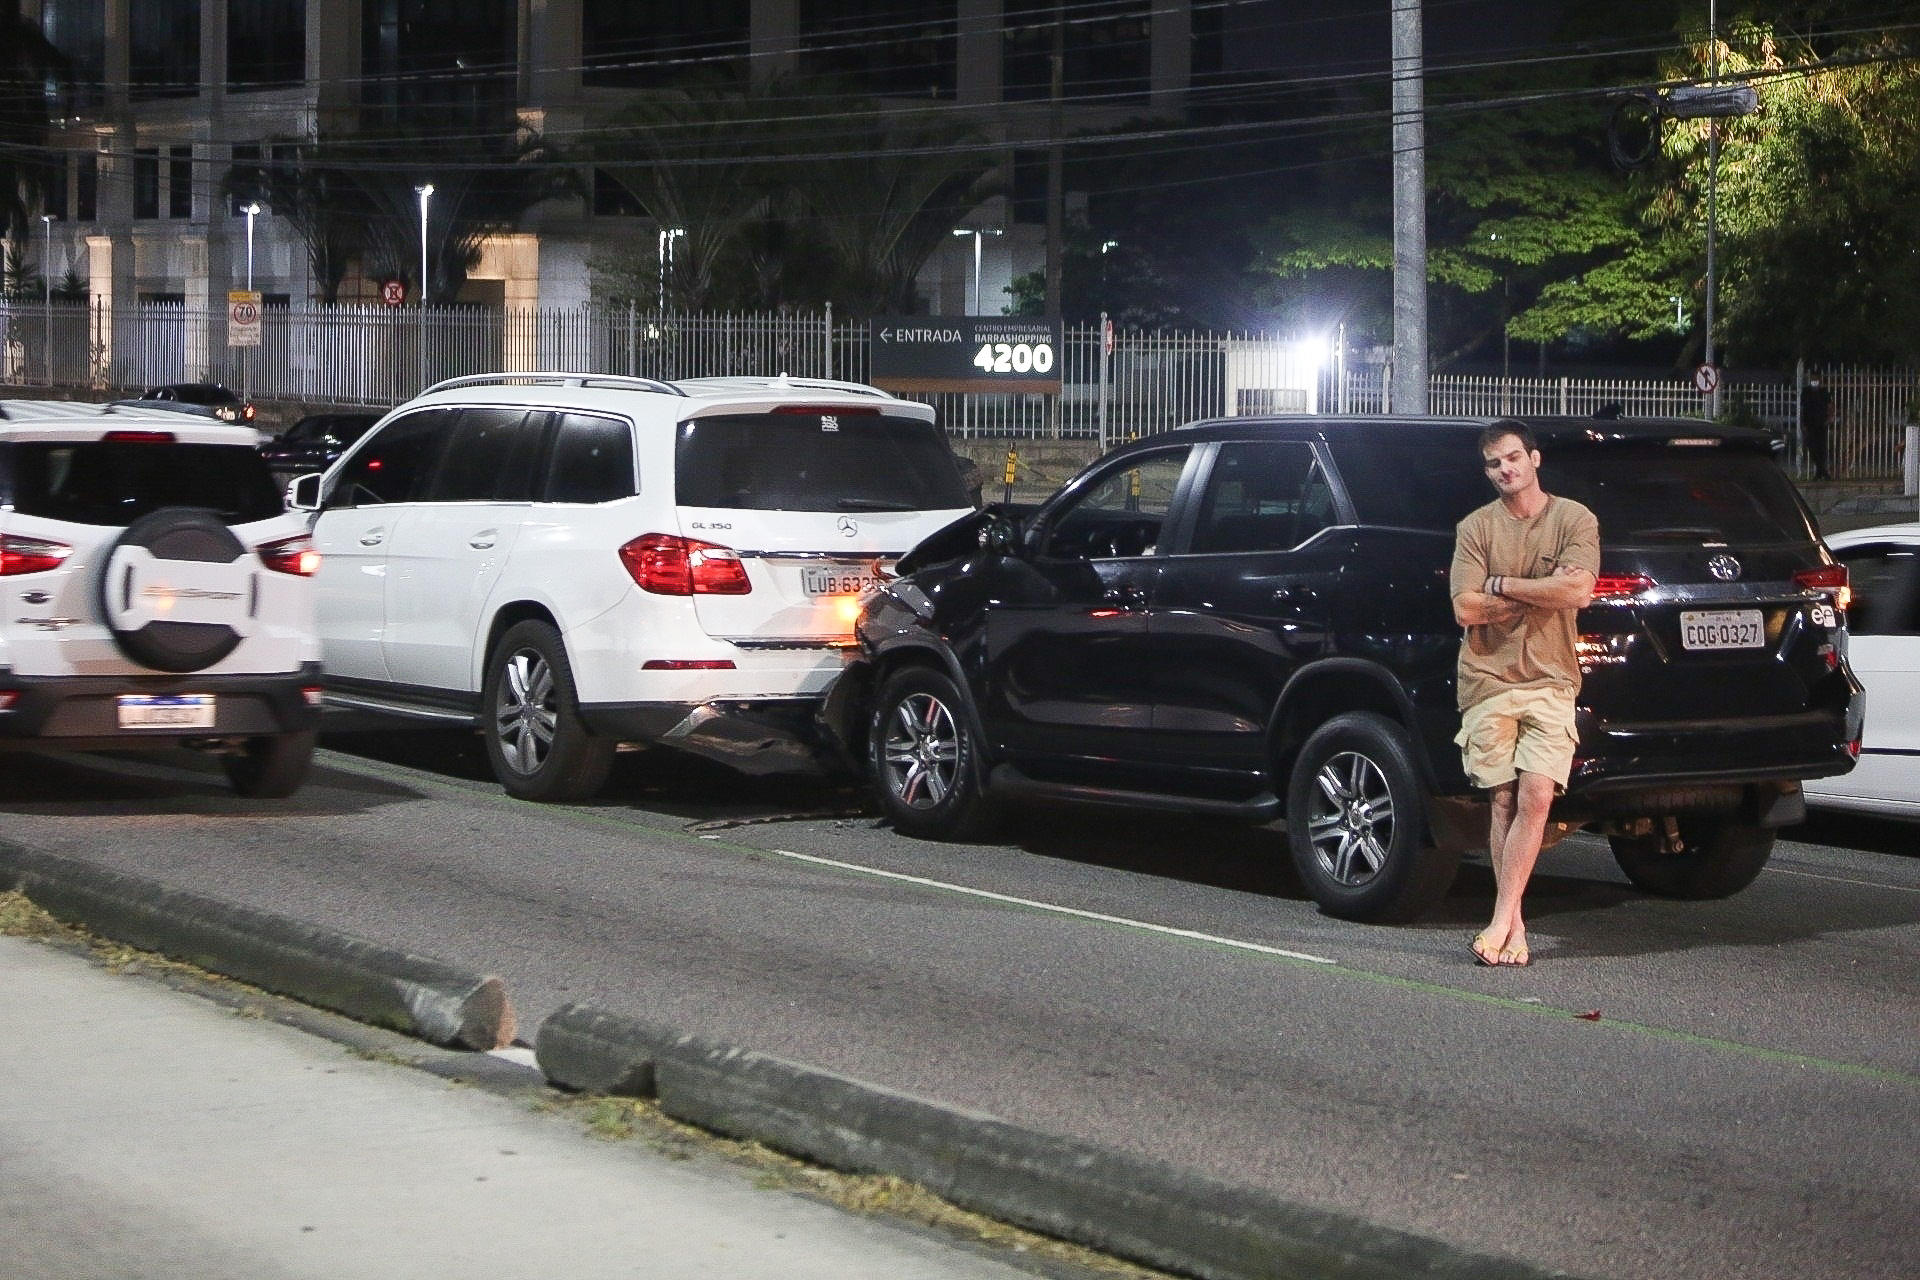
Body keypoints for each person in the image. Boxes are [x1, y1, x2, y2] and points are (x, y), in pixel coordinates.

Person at [1450, 424, 1599, 967]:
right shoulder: (1475, 528)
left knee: (1537, 795)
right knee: (1504, 799)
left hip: (1552, 679)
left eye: (1513, 458)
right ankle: (1512, 923)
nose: (1505, 469)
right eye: (1494, 463)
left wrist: (1501, 584)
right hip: (1488, 679)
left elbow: (1578, 590)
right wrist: (1541, 592)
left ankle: (1500, 918)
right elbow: (1465, 610)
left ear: (1534, 459)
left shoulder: (1573, 519)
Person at [1800, 376, 1833, 480]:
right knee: (1811, 446)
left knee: (1821, 448)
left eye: (1816, 381)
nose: (1815, 383)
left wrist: (1829, 418)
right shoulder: (1806, 392)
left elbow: (1830, 405)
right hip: (1810, 423)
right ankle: (1822, 471)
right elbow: (1803, 408)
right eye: (1813, 381)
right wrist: (1804, 423)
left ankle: (1820, 472)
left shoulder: (1824, 392)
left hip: (1821, 423)